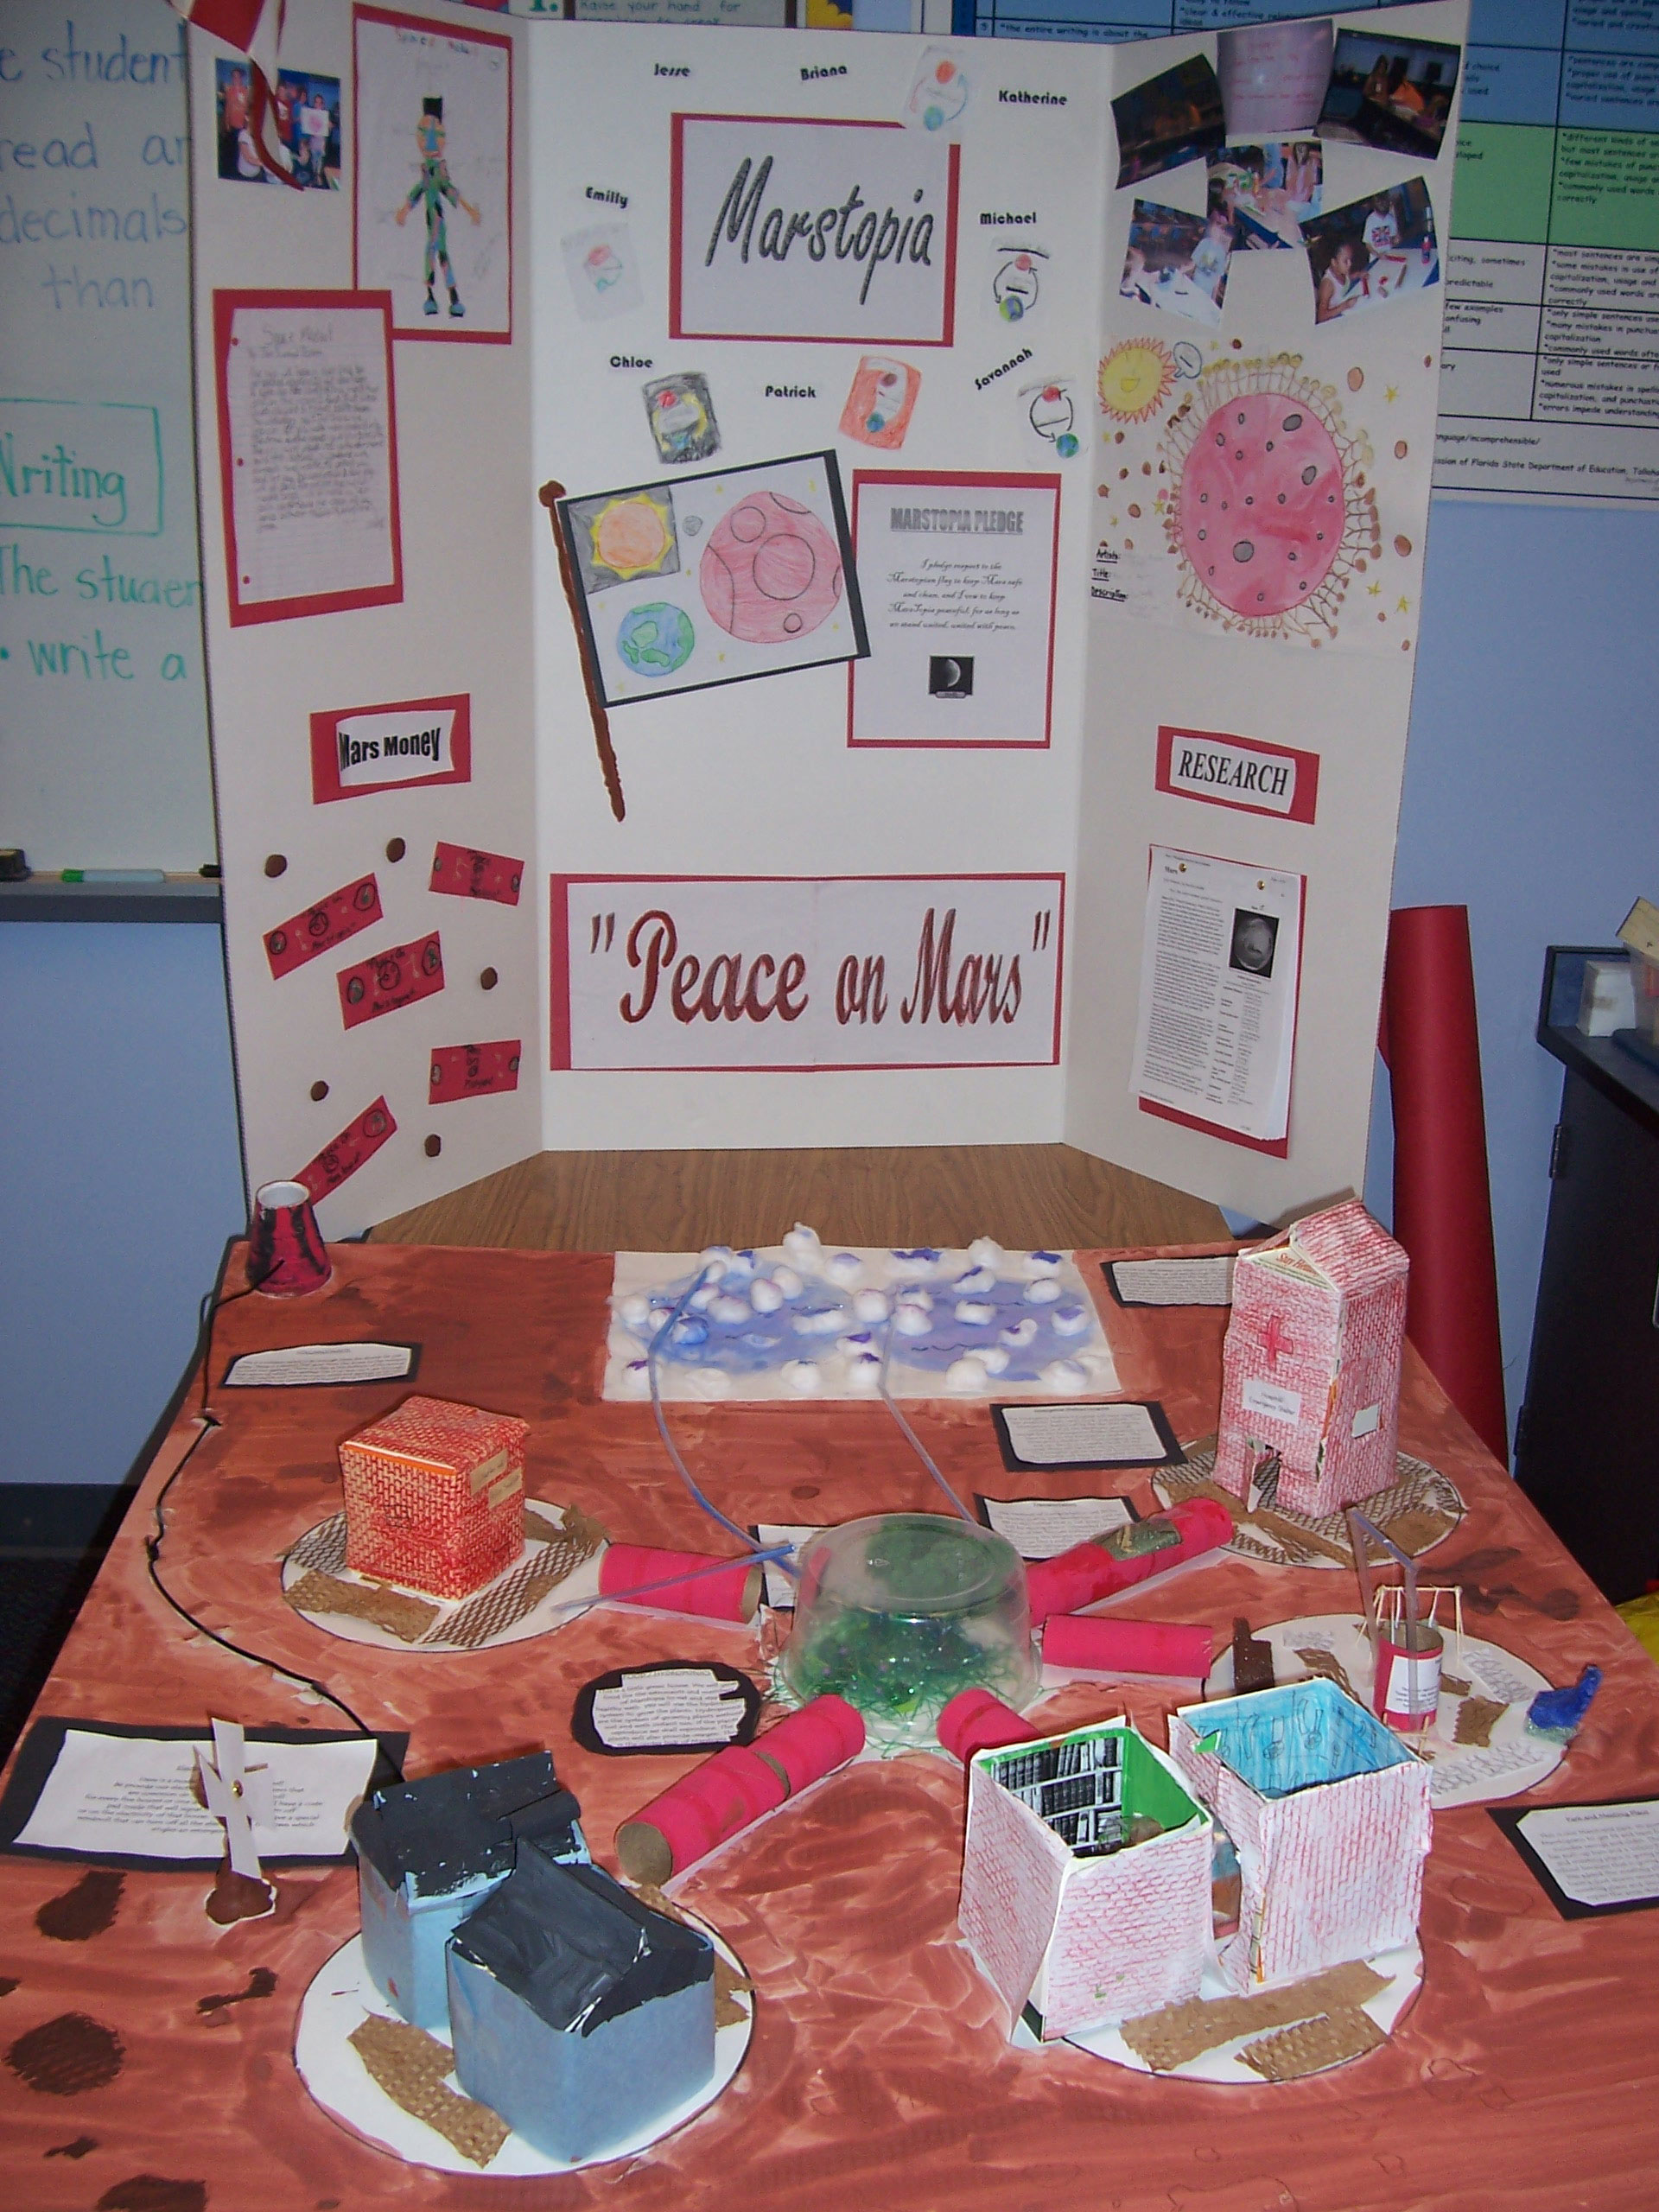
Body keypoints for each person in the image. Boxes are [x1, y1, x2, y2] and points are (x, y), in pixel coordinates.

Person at [395, 96, 481, 318]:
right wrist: (405, 210)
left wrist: (470, 210)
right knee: (435, 254)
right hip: (431, 220)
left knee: (437, 253)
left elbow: (450, 190)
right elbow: (418, 191)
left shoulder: (438, 172)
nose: (430, 140)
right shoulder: (428, 171)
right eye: (423, 133)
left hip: (437, 221)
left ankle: (448, 297)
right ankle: (440, 297)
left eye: (436, 134)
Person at [1314, 236, 1365, 321]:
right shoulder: (1328, 284)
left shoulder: (1342, 270)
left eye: (1350, 260)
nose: (1350, 264)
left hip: (1348, 307)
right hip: (1336, 319)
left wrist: (1358, 275)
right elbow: (1321, 317)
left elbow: (1347, 279)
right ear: (1334, 262)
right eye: (1345, 261)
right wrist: (1345, 305)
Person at [219, 66, 249, 180]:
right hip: (231, 125)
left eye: (238, 76)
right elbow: (227, 108)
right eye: (234, 76)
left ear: (241, 78)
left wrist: (247, 124)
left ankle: (240, 172)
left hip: (242, 126)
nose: (236, 79)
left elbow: (247, 109)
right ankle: (230, 172)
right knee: (231, 149)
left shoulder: (245, 91)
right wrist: (226, 123)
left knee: (241, 151)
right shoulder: (230, 91)